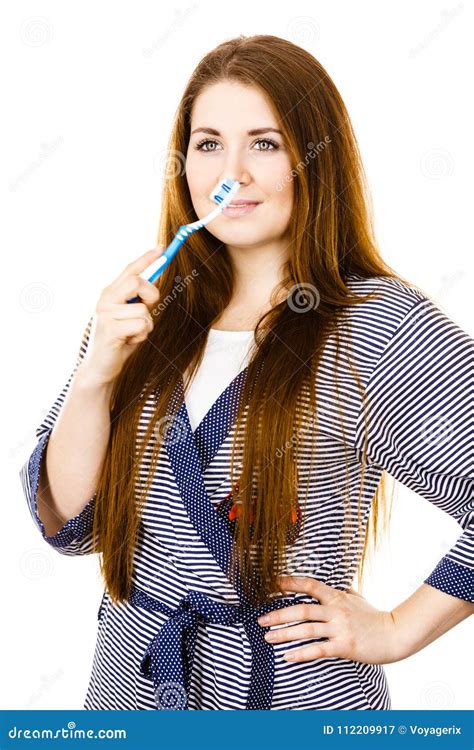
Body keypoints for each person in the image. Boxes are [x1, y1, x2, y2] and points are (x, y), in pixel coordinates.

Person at [20, 34, 473, 710]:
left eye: (265, 143)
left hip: (291, 700)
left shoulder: (379, 324)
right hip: (129, 692)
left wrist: (398, 630)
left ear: (313, 159)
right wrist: (96, 373)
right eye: (208, 144)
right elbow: (71, 526)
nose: (233, 172)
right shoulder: (148, 305)